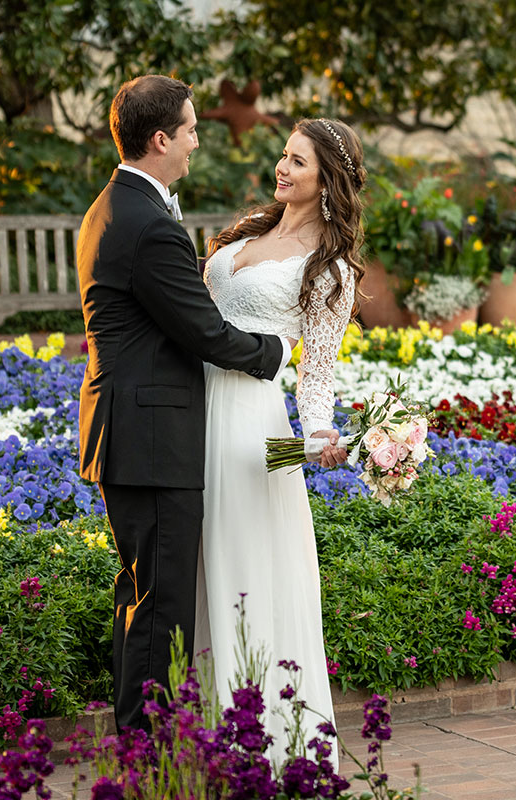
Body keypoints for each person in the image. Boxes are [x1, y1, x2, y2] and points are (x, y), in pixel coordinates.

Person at [75, 74, 296, 732]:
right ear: (162, 138)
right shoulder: (148, 224)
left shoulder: (119, 205)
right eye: (193, 129)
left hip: (129, 430)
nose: (200, 141)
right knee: (160, 606)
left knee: (143, 599)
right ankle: (150, 754)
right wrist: (276, 354)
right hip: (151, 439)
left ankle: (141, 744)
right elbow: (201, 331)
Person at [194, 117, 366, 770]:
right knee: (203, 567)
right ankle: (204, 732)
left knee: (246, 569)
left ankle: (264, 743)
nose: (282, 167)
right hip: (194, 411)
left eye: (298, 161)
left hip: (253, 427)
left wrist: (323, 438)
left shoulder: (330, 269)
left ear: (327, 178)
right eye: (283, 155)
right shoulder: (251, 231)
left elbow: (317, 378)